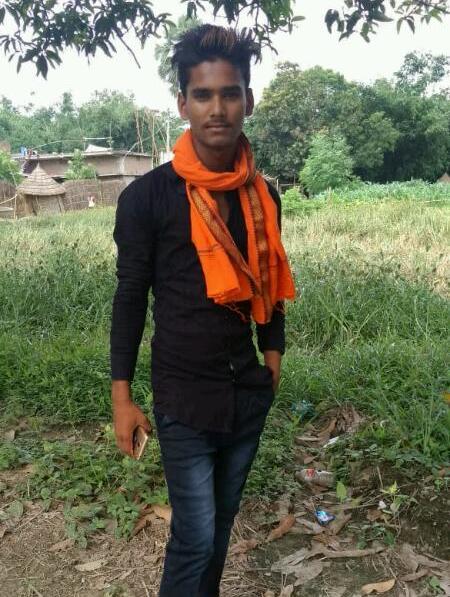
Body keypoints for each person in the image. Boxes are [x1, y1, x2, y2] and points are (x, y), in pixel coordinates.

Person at [110, 24, 295, 597]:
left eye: (230, 93)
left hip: (246, 391)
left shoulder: (262, 195)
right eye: (204, 95)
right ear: (183, 104)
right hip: (184, 396)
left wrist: (272, 359)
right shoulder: (148, 198)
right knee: (194, 537)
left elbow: (269, 282)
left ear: (248, 100)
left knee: (218, 529)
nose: (218, 109)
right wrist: (122, 397)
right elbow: (130, 296)